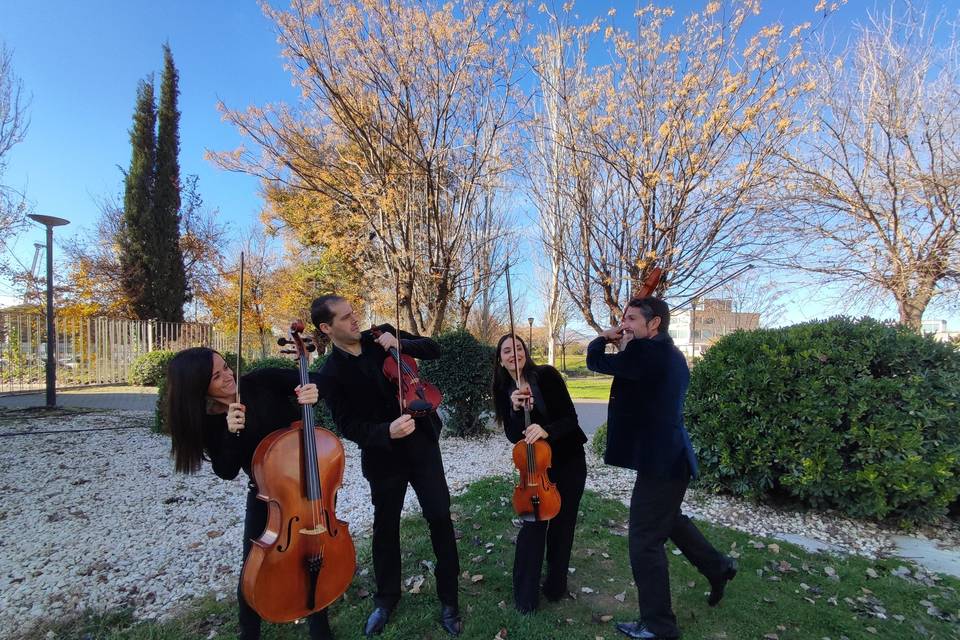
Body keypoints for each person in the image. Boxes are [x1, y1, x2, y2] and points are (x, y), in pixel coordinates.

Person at [311, 295, 462, 637]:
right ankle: (385, 599)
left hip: (422, 444)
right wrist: (385, 431)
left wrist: (402, 342)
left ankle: (449, 598)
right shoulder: (330, 373)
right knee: (386, 527)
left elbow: (432, 348)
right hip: (382, 456)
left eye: (354, 313)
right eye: (346, 317)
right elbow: (347, 424)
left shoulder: (381, 336)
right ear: (326, 327)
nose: (355, 320)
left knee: (439, 515)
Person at [586, 297, 737, 640]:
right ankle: (718, 566)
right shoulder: (667, 354)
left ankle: (659, 626)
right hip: (670, 460)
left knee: (643, 542)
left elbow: (596, 361)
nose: (625, 324)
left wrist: (604, 338)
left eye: (631, 319)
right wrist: (624, 343)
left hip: (662, 463)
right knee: (668, 522)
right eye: (622, 319)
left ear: (654, 324)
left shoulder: (647, 353)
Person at [165, 347, 334, 640]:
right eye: (216, 376)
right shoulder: (208, 419)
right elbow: (226, 470)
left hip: (310, 487)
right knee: (252, 569)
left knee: (312, 556)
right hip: (266, 496)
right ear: (198, 386)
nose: (228, 376)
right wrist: (231, 432)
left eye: (226, 367)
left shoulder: (262, 381)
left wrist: (313, 390)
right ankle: (249, 634)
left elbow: (322, 380)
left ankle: (320, 628)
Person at [491, 334, 587, 613]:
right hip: (534, 472)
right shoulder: (504, 390)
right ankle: (525, 597)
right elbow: (513, 437)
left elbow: (570, 419)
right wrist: (513, 409)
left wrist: (547, 430)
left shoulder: (546, 376)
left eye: (518, 348)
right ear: (500, 359)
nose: (514, 354)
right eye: (507, 350)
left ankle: (556, 586)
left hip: (567, 460)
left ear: (525, 352)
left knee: (562, 526)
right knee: (533, 526)